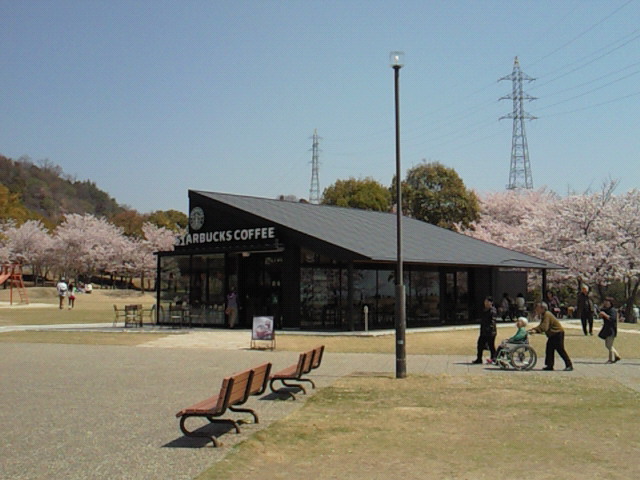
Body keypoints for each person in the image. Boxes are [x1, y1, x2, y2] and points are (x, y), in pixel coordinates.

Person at [528, 301, 573, 371]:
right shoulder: (544, 315)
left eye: (538, 308)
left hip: (557, 333)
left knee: (560, 350)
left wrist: (536, 331)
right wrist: (534, 329)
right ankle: (549, 365)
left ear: (542, 308)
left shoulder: (547, 314)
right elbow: (541, 325)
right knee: (549, 349)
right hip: (553, 334)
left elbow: (544, 327)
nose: (536, 309)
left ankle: (569, 365)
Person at [473, 296, 497, 364]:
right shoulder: (484, 310)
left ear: (491, 303)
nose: (485, 303)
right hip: (483, 331)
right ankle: (479, 359)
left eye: (487, 302)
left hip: (490, 332)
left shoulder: (493, 310)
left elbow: (493, 321)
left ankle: (493, 358)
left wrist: (489, 328)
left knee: (491, 346)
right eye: (485, 302)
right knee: (480, 344)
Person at [599, 297, 621, 364]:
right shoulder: (605, 310)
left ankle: (611, 359)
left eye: (607, 302)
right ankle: (616, 356)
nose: (605, 303)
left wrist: (605, 315)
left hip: (611, 330)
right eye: (605, 301)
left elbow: (612, 319)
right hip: (606, 329)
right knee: (608, 345)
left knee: (609, 345)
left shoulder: (613, 310)